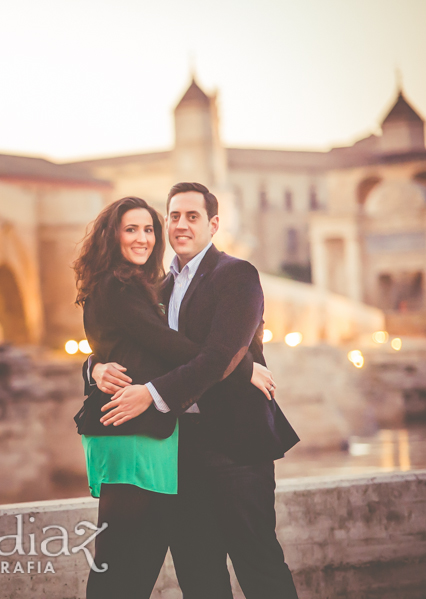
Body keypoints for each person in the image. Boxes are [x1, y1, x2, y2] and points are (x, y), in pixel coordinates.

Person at [89, 182, 301, 598]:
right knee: (198, 572)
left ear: (213, 224)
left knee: (257, 563)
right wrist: (93, 367)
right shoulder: (158, 290)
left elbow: (217, 353)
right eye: (173, 216)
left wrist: (152, 393)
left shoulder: (237, 275)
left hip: (235, 448)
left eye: (192, 216)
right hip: (180, 452)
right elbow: (138, 346)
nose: (180, 225)